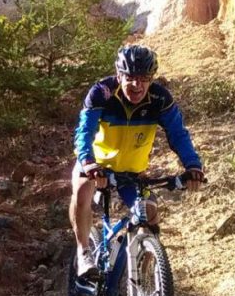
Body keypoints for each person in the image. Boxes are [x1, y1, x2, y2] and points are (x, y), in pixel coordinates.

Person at [70, 44, 204, 278]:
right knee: (82, 193)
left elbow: (178, 134)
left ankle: (145, 282)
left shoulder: (159, 98)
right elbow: (85, 131)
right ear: (119, 74)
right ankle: (83, 253)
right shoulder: (102, 92)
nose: (137, 85)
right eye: (130, 77)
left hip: (132, 172)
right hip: (96, 166)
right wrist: (88, 161)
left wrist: (192, 166)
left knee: (149, 213)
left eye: (144, 78)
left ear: (151, 78)